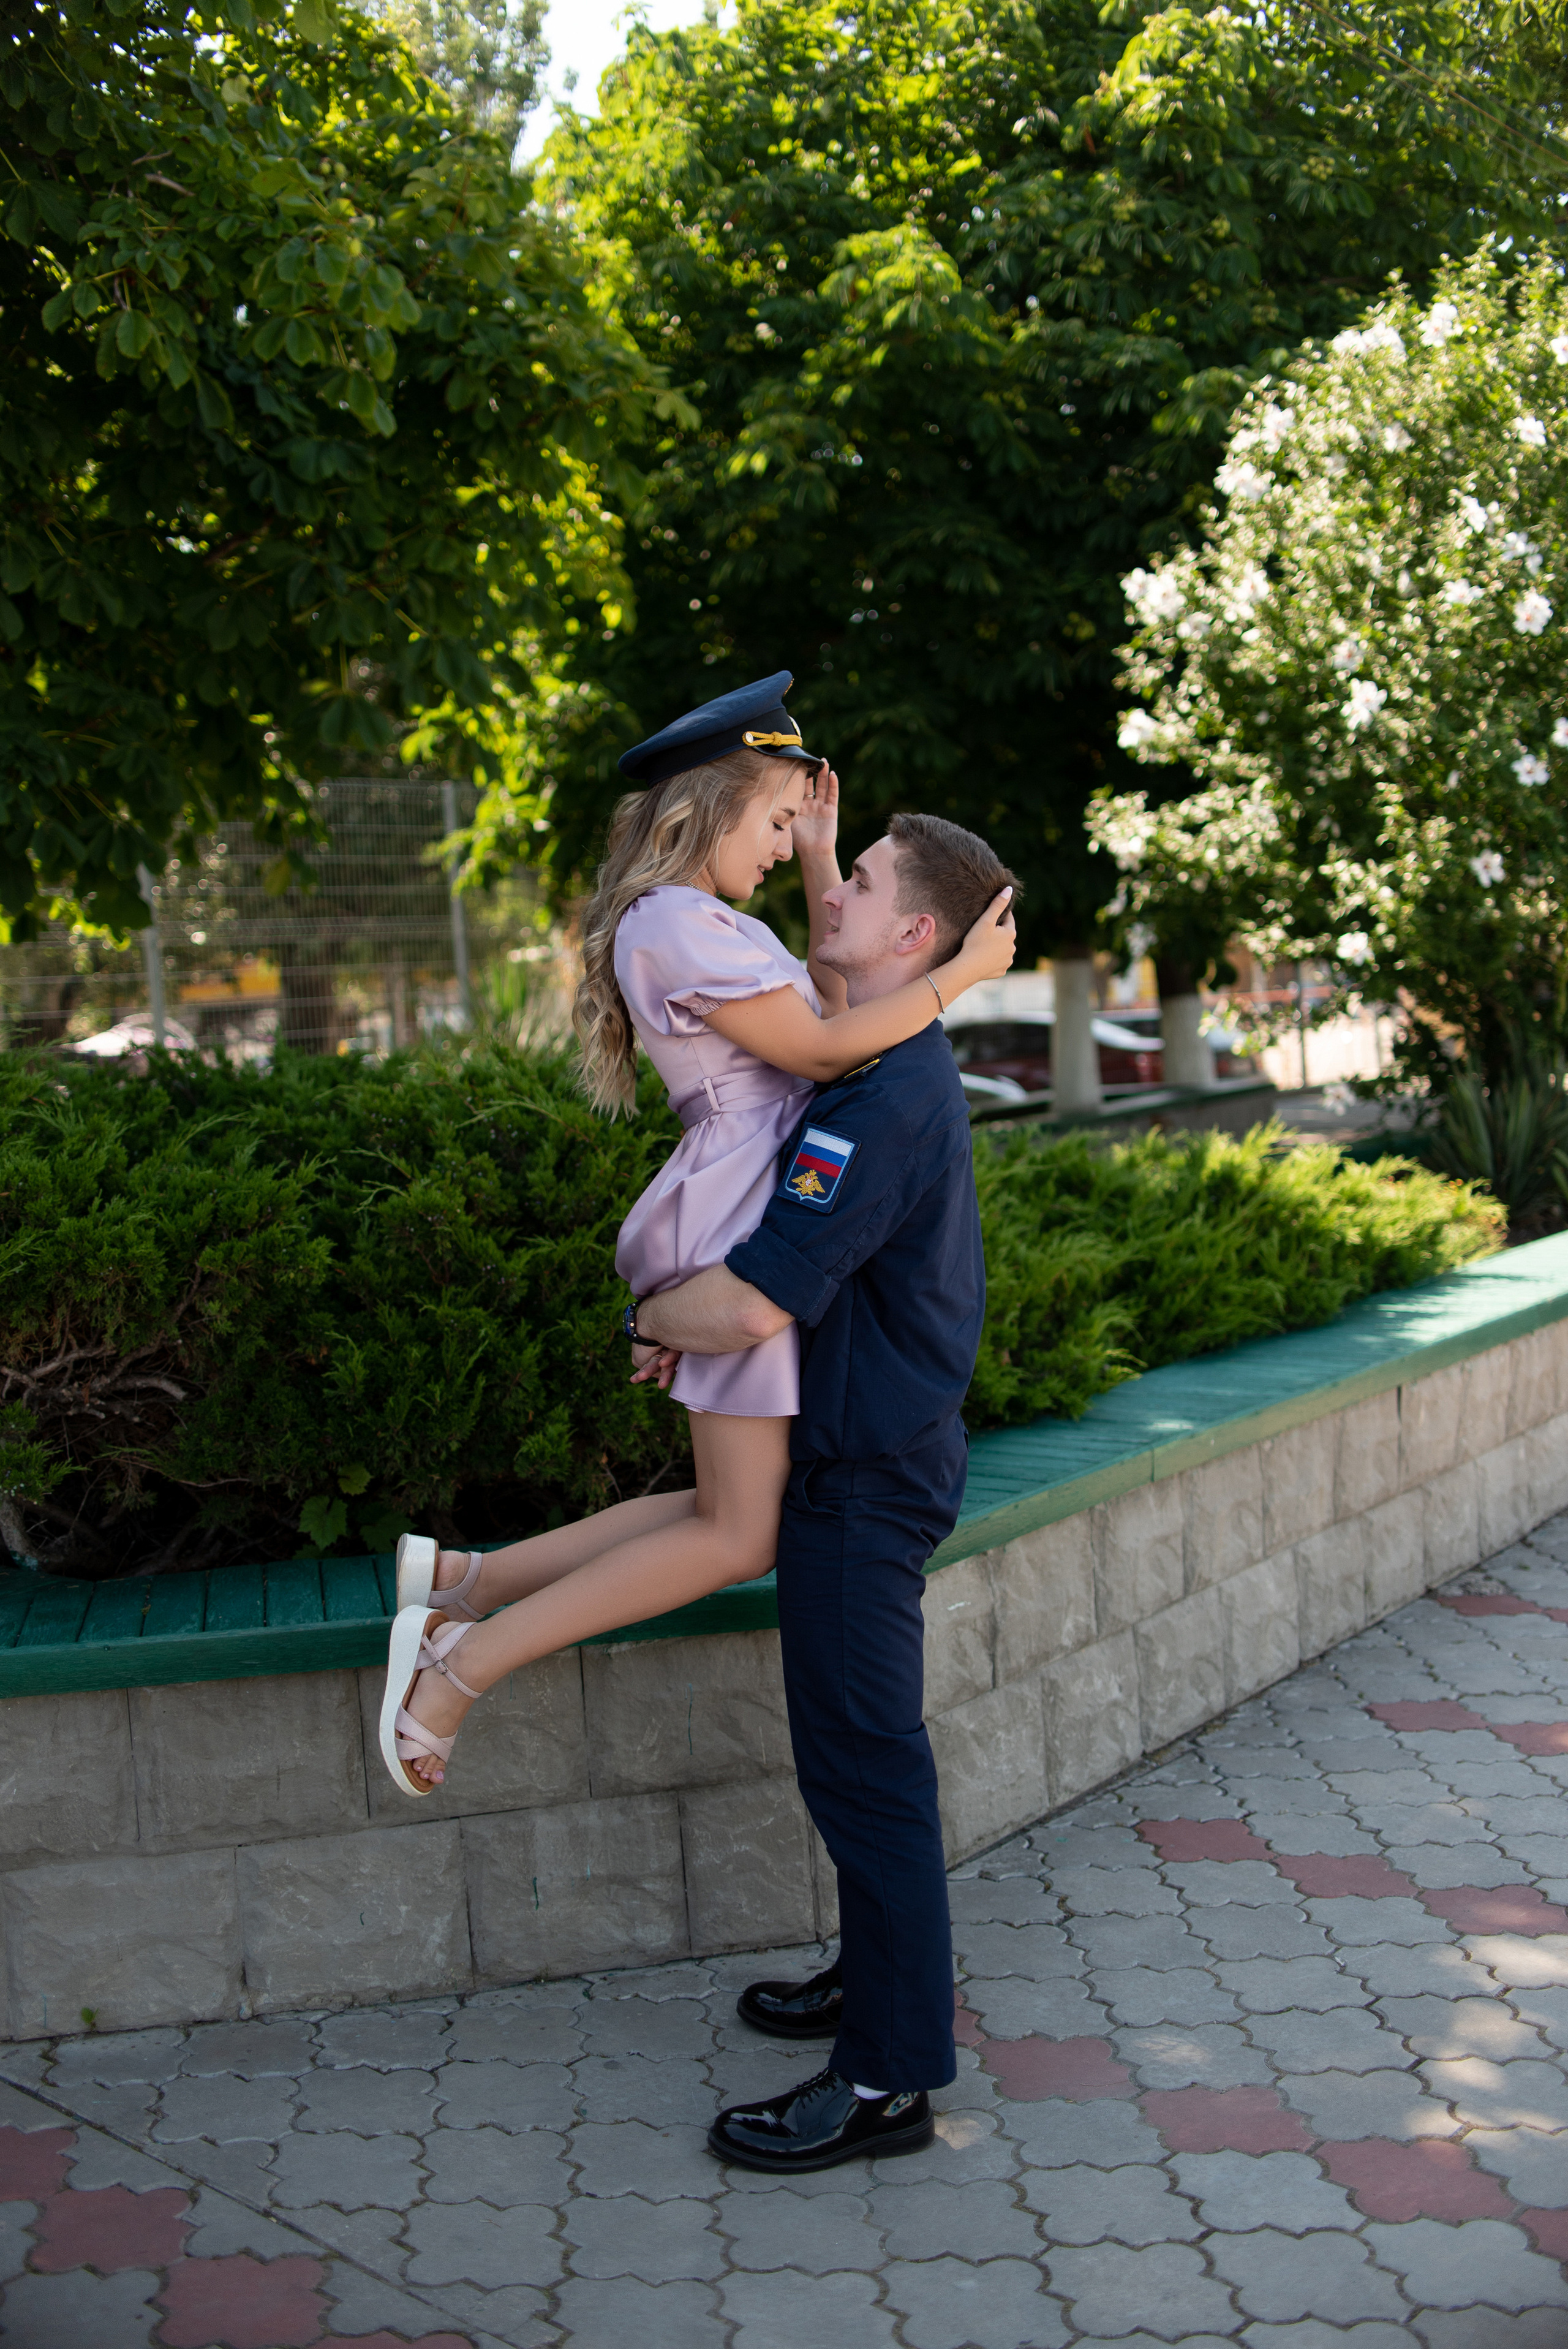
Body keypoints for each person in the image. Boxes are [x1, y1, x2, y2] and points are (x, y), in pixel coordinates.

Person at [379, 675, 1016, 1795]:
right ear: (711, 806)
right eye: (775, 823)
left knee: (735, 1513)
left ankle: (470, 1582)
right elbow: (827, 1054)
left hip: (735, 1206)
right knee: (736, 1532)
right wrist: (958, 974)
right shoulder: (671, 922)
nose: (784, 849)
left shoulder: (708, 921)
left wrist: (824, 853)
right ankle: (458, 1660)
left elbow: (830, 1002)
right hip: (731, 1212)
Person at [626, 808, 1017, 2174]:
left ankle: (885, 2083)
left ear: (915, 933)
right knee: (855, 1767)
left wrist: (649, 1316)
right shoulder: (877, 1054)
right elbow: (833, 981)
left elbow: (746, 1305)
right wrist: (816, 863)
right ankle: (874, 1978)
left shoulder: (886, 1099)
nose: (829, 889)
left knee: (866, 1772)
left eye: (855, 880)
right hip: (855, 1465)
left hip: (863, 1483)